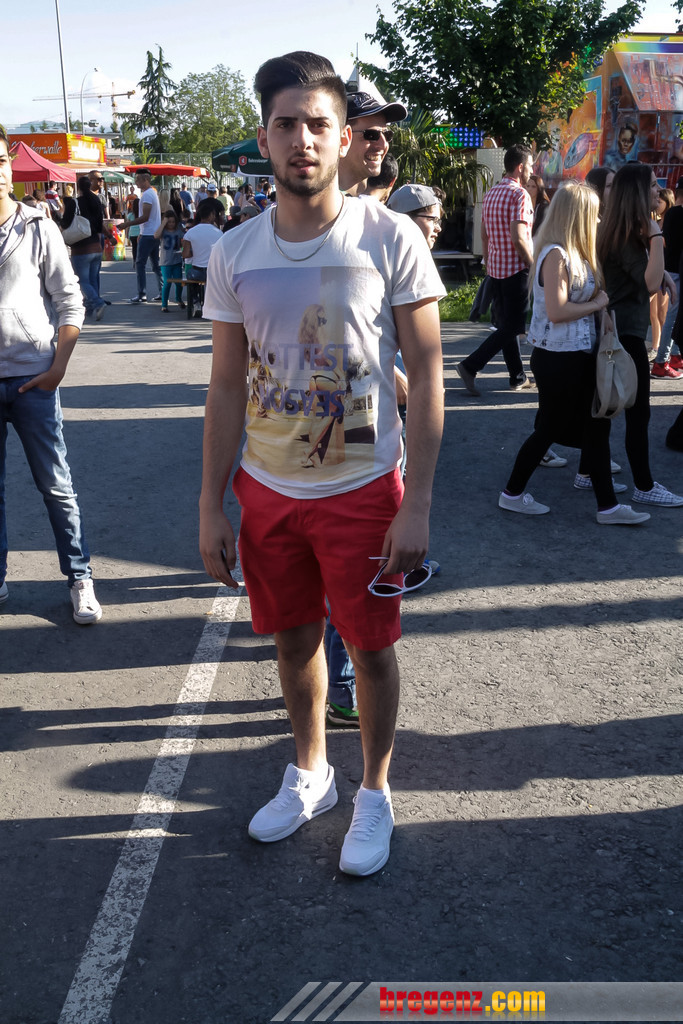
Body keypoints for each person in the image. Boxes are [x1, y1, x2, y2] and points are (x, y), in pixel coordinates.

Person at [199, 50, 444, 876]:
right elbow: (225, 385)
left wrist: (416, 504)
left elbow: (429, 374)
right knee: (293, 639)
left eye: (317, 124)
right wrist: (210, 503)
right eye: (285, 124)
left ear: (343, 138)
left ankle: (373, 791)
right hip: (267, 489)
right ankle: (310, 775)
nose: (301, 140)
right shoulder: (234, 251)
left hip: (364, 487)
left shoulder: (389, 237)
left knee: (368, 649)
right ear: (263, 137)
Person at [498, 181, 649, 526]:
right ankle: (512, 493)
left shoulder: (574, 253)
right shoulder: (556, 254)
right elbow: (557, 310)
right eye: (594, 214)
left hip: (576, 354)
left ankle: (608, 507)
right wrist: (597, 304)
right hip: (557, 357)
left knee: (596, 427)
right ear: (578, 216)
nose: (599, 220)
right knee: (550, 428)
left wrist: (602, 313)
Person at [0, 129, 102, 623]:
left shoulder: (37, 226)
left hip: (33, 380)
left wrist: (58, 366)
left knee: (56, 487)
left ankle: (80, 577)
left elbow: (70, 300)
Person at [598, 162, 683, 508]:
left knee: (605, 409)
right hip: (625, 334)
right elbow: (648, 282)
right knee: (635, 413)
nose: (658, 190)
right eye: (651, 185)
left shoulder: (621, 229)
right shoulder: (628, 235)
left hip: (620, 329)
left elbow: (649, 277)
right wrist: (657, 234)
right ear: (636, 192)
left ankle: (589, 471)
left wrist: (663, 275)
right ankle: (644, 486)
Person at [457, 144, 535, 395]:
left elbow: (484, 234)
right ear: (520, 167)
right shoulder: (520, 194)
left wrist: (490, 264)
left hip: (496, 269)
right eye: (530, 166)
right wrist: (533, 266)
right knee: (512, 327)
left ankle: (517, 377)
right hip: (517, 269)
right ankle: (470, 366)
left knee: (506, 325)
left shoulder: (492, 193)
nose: (532, 171)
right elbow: (519, 237)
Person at [339, 91, 406, 197]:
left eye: (387, 135)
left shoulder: (370, 207)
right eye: (371, 135)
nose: (383, 144)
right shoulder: (316, 203)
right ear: (343, 137)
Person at [62, 175, 106, 321]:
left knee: (82, 281)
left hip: (81, 248)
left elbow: (65, 223)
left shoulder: (75, 202)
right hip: (96, 246)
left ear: (78, 187)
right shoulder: (96, 201)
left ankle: (98, 303)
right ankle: (90, 308)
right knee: (92, 279)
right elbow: (100, 223)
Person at [654, 176, 683, 378]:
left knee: (673, 316)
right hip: (677, 270)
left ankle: (674, 355)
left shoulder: (671, 213)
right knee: (672, 317)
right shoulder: (677, 213)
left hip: (670, 268)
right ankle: (661, 361)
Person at [124, 168, 162, 303]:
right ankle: (162, 291)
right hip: (152, 233)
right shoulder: (152, 193)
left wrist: (127, 224)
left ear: (146, 179)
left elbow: (145, 217)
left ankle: (142, 294)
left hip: (148, 234)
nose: (136, 182)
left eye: (138, 179)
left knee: (140, 263)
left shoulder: (147, 195)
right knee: (155, 264)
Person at [649, 187, 675, 361]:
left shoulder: (669, 222)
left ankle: (662, 348)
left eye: (660, 201)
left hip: (665, 270)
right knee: (653, 312)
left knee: (662, 312)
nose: (657, 204)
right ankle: (655, 346)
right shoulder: (655, 222)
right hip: (655, 268)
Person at [154, 209, 186, 312]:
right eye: (169, 222)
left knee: (179, 282)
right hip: (165, 262)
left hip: (177, 261)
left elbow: (185, 239)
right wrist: (163, 223)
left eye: (173, 222)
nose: (171, 224)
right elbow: (156, 235)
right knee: (167, 283)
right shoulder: (163, 231)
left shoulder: (178, 230)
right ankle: (164, 304)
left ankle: (178, 299)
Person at [527, 173, 550, 237]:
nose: (529, 189)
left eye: (533, 186)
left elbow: (539, 228)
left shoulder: (543, 206)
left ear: (539, 189)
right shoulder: (525, 204)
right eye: (528, 186)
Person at [126, 198, 141, 263]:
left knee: (134, 247)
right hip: (140, 233)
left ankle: (135, 260)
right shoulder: (142, 215)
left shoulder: (130, 215)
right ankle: (139, 260)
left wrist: (127, 234)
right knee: (140, 248)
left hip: (132, 233)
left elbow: (127, 225)